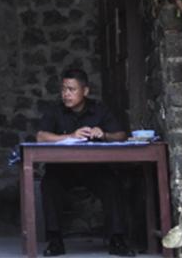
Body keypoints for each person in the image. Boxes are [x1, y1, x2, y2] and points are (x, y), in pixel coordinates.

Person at [36, 67, 133, 257]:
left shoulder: (99, 109)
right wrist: (70, 136)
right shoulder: (55, 111)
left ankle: (117, 240)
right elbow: (40, 136)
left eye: (71, 89)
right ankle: (55, 240)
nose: (66, 94)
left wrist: (103, 134)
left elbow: (121, 135)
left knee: (112, 184)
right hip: (62, 170)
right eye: (64, 89)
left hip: (94, 169)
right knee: (49, 184)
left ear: (85, 91)